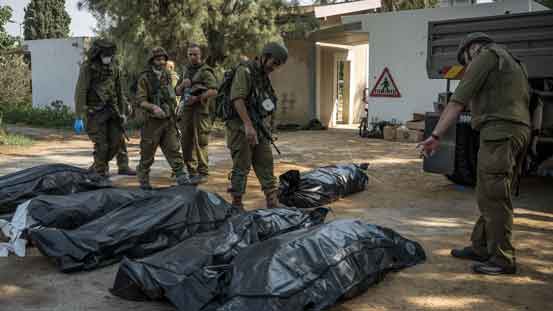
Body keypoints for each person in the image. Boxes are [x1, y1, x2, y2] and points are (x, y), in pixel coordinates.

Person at [418, 33, 531, 275]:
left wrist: (436, 135)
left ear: (472, 49)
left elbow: (457, 102)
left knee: (494, 196)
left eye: (466, 60)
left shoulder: (486, 56)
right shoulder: (510, 60)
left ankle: (503, 259)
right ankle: (481, 246)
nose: (467, 65)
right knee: (489, 192)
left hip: (500, 133)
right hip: (514, 131)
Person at [226, 42, 288, 209]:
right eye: (273, 63)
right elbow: (237, 99)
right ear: (264, 56)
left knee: (266, 162)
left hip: (258, 127)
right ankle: (237, 204)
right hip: (240, 127)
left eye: (278, 65)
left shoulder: (262, 77)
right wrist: (248, 126)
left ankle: (272, 201)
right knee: (242, 166)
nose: (274, 67)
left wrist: (266, 124)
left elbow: (268, 102)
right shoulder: (244, 71)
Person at [74, 39, 135, 178]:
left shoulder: (114, 68)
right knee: (102, 146)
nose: (108, 56)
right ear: (98, 53)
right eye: (105, 54)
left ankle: (98, 165)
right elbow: (81, 91)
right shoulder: (88, 68)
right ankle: (100, 173)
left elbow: (119, 92)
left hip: (112, 112)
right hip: (95, 113)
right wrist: (78, 116)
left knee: (116, 142)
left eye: (110, 54)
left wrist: (123, 112)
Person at [134, 47, 191, 189]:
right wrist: (153, 107)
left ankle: (181, 177)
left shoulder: (167, 75)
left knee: (173, 149)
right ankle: (143, 179)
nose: (162, 61)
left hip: (168, 120)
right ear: (152, 60)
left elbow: (173, 93)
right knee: (147, 153)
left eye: (163, 59)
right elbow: (141, 100)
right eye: (158, 59)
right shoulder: (145, 78)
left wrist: (182, 87)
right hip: (152, 122)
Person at [175, 44, 218, 185]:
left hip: (200, 111)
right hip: (187, 111)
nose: (193, 57)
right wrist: (182, 85)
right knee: (186, 141)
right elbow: (176, 91)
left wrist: (199, 98)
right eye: (190, 54)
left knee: (201, 142)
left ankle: (203, 172)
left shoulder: (205, 71)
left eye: (195, 54)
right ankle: (192, 171)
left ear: (201, 56)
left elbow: (214, 90)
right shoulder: (185, 70)